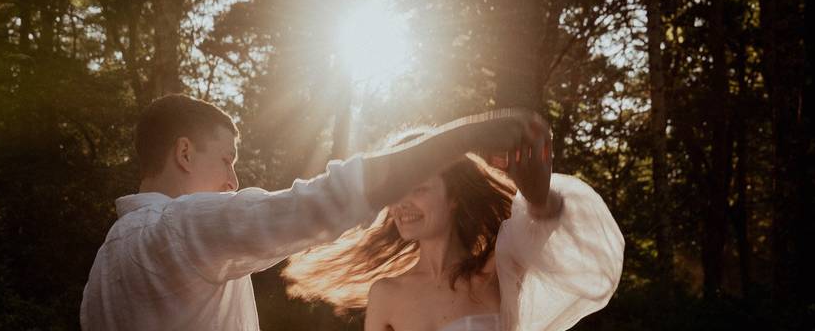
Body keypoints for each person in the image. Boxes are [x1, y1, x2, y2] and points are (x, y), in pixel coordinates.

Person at [79, 94, 546, 330]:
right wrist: (464, 138)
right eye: (226, 160)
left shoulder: (102, 271)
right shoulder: (179, 230)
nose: (232, 181)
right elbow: (316, 205)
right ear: (184, 153)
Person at [282, 126, 625, 331]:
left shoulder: (497, 272)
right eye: (396, 191)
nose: (401, 203)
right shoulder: (385, 293)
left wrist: (539, 198)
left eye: (418, 188)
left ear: (454, 198)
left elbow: (571, 239)